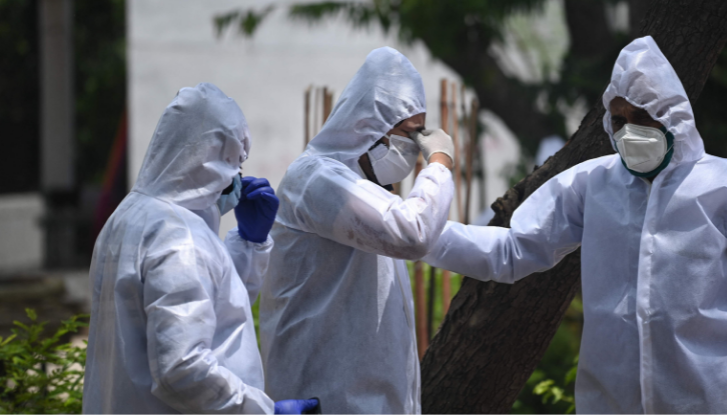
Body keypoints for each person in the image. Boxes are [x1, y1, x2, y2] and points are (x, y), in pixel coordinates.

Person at [422, 36, 727, 414]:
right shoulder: (592, 184)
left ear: (671, 115)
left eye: (641, 116)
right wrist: (417, 234)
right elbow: (514, 249)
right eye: (619, 120)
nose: (629, 131)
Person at [83, 83, 318, 414]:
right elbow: (182, 369)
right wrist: (264, 411)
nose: (238, 176)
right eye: (236, 162)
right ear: (213, 161)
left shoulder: (126, 218)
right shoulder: (180, 238)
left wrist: (249, 244)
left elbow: (208, 310)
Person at [258, 47, 455, 414]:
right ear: (370, 128)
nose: (415, 150)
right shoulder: (317, 179)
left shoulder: (367, 195)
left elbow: (430, 234)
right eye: (409, 135)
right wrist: (440, 163)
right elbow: (415, 234)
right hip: (325, 398)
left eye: (421, 140)